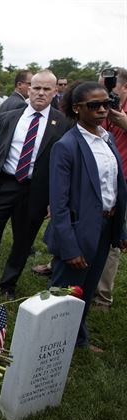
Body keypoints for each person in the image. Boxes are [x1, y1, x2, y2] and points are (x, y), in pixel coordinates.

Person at [44, 81, 127, 352]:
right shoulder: (66, 146)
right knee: (65, 290)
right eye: (95, 105)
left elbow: (114, 187)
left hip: (105, 226)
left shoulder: (108, 138)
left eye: (108, 103)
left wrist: (118, 229)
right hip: (78, 230)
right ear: (78, 109)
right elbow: (58, 204)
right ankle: (49, 344)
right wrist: (69, 246)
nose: (103, 109)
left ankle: (77, 339)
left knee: (88, 288)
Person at [0, 70, 70, 299]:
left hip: (35, 190)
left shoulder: (63, 123)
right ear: (28, 88)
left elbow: (64, 165)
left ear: (55, 91)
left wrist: (54, 199)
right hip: (4, 184)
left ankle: (8, 284)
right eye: (36, 88)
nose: (40, 93)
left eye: (47, 89)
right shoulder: (9, 117)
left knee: (23, 240)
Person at [95, 68, 127, 310]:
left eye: (109, 88)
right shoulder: (100, 106)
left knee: (112, 240)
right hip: (94, 179)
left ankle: (103, 296)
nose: (104, 93)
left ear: (124, 87)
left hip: (121, 185)